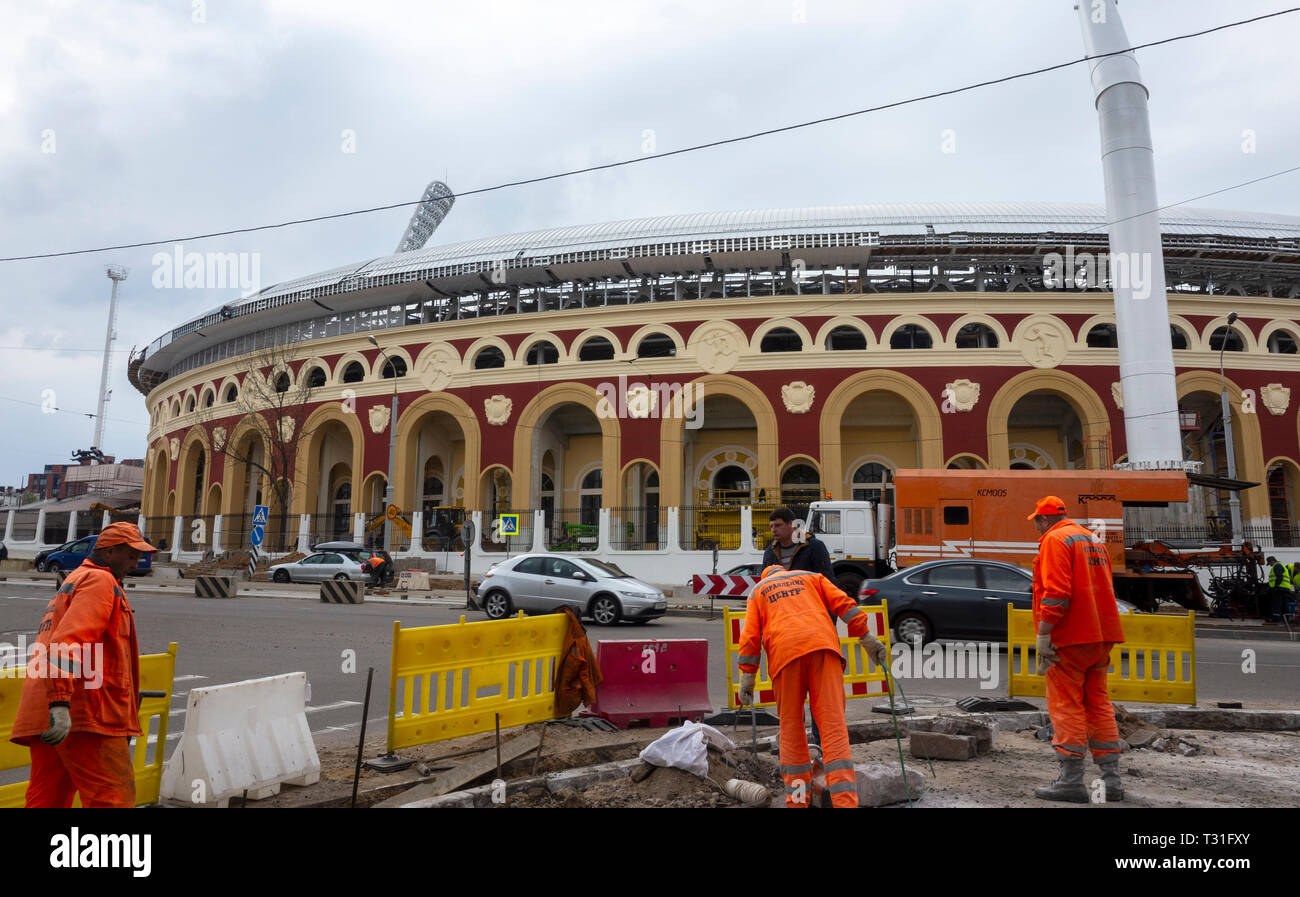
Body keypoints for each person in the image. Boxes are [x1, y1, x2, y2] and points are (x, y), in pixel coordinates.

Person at [9, 522, 157, 807]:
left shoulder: (76, 579)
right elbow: (69, 640)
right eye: (131, 554)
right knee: (112, 798)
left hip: (51, 712)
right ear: (110, 551)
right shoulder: (100, 582)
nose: (135, 562)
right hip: (84, 714)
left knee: (47, 799)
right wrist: (61, 703)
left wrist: (56, 704)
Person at [737, 565, 888, 808]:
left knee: (792, 732)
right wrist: (865, 636)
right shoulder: (811, 577)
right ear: (785, 571)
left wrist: (748, 676)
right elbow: (844, 604)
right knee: (833, 730)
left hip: (786, 658)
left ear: (766, 576)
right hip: (823, 651)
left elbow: (751, 637)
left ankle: (797, 802)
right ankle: (845, 803)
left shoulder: (758, 591)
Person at [1027, 496, 1126, 803]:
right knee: (1098, 704)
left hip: (1070, 637)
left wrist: (1044, 635)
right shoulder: (1092, 540)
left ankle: (1070, 782)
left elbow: (1057, 594)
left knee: (1066, 705)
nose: (1036, 529)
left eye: (1036, 522)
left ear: (1044, 520)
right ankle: (1111, 781)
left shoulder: (1055, 540)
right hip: (1100, 636)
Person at [761, 506, 835, 579]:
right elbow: (764, 582)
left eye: (778, 525)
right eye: (771, 526)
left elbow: (827, 580)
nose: (773, 530)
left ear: (791, 524)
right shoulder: (770, 552)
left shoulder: (814, 547)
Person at [1263, 556, 1291, 623]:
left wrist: (1275, 587)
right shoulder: (1281, 565)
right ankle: (1286, 618)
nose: (1270, 565)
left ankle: (1276, 618)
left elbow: (1279, 577)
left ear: (1272, 561)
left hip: (1279, 588)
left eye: (1269, 563)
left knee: (1277, 604)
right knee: (1285, 604)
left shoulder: (1277, 566)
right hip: (1285, 588)